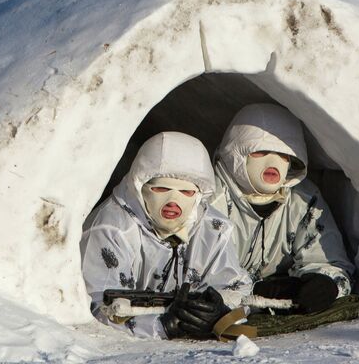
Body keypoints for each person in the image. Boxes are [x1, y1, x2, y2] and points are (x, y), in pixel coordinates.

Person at [81, 132, 252, 339]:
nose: (173, 201)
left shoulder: (213, 229)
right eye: (161, 188)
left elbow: (237, 287)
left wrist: (220, 312)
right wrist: (163, 326)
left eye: (186, 192)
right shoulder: (111, 229)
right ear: (139, 186)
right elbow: (98, 307)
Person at [211, 103, 355, 314]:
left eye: (283, 154)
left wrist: (326, 284)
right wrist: (254, 290)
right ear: (236, 154)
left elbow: (330, 261)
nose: (273, 162)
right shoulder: (209, 199)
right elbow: (194, 276)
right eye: (261, 152)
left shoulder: (302, 199)